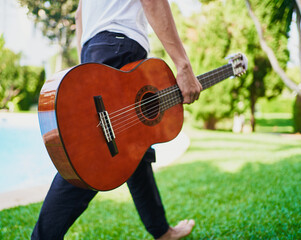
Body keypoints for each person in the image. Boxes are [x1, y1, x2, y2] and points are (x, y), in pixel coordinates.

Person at [32, 0, 202, 239]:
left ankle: (161, 231)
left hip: (95, 48)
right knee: (92, 161)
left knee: (134, 147)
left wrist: (87, 68)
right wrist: (183, 64)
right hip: (120, 46)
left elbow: (80, 14)